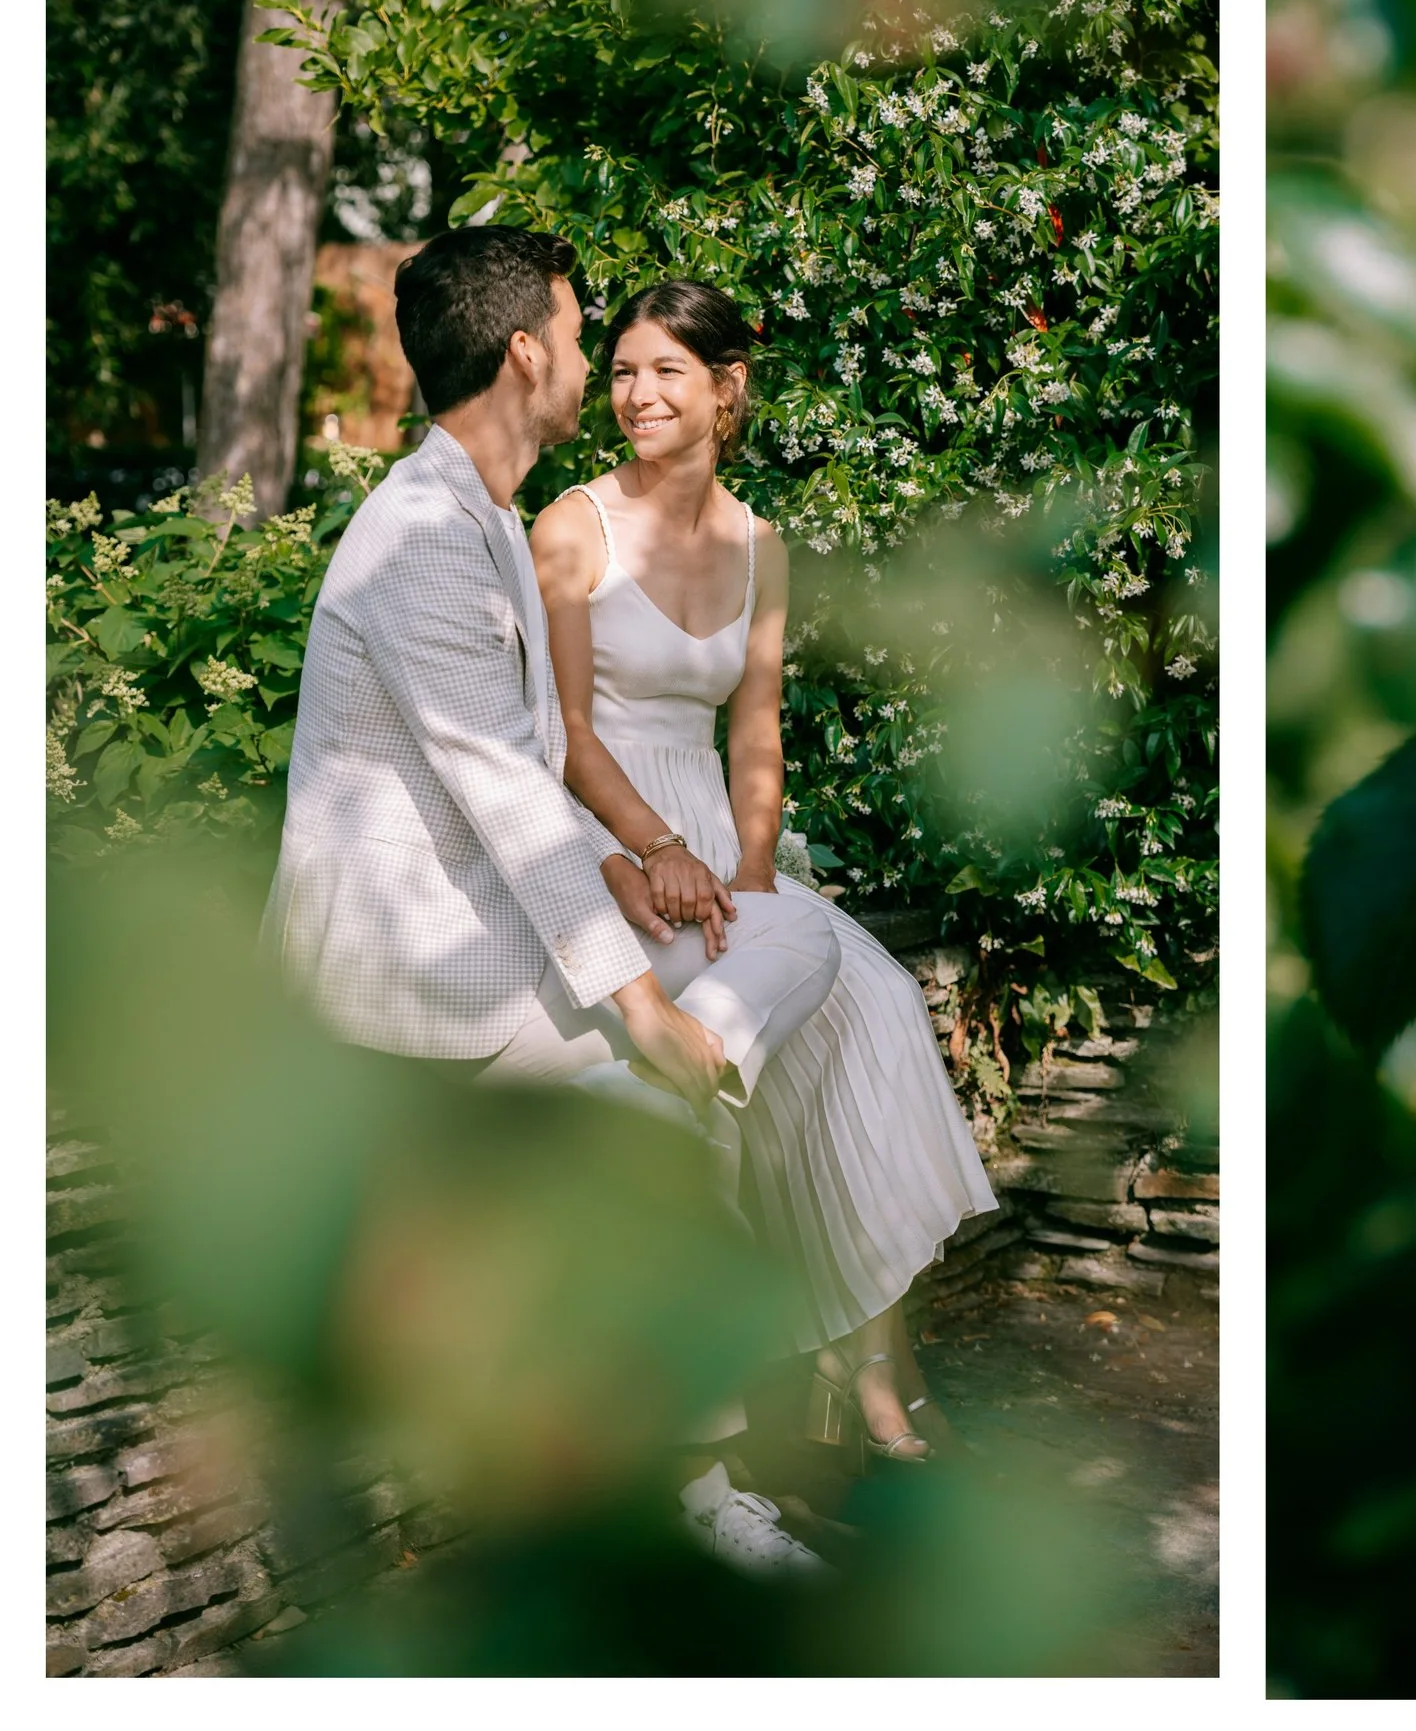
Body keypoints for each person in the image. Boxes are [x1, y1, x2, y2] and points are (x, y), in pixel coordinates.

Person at [262, 226, 836, 1575]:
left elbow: (534, 772)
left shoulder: (491, 512)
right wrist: (640, 1007)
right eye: (582, 336)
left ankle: (707, 1072)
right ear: (527, 354)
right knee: (648, 1112)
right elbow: (508, 805)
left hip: (503, 930)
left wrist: (630, 870)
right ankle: (688, 1486)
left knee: (800, 926)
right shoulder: (420, 537)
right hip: (414, 976)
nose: (595, 362)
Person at [529, 279, 998, 1478]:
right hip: (605, 833)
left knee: (875, 1008)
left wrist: (750, 876)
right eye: (623, 369)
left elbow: (757, 733)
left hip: (718, 843)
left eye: (664, 372)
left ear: (726, 392)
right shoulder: (570, 527)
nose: (633, 392)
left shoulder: (761, 544)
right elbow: (564, 734)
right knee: (743, 1072)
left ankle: (869, 1364)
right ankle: (800, 1397)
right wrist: (658, 852)